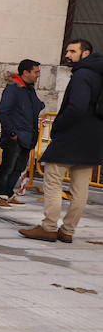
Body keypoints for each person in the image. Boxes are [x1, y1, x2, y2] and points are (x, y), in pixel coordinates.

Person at [19, 40, 103, 243]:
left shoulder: (83, 74)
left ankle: (48, 227)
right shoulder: (99, 73)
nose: (68, 54)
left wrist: (58, 125)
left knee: (53, 180)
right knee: (80, 188)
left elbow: (77, 107)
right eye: (67, 50)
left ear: (86, 54)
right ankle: (68, 230)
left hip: (72, 136)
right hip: (92, 138)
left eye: (73, 51)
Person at [0, 59, 43, 208]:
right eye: (36, 72)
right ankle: (0, 195)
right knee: (8, 166)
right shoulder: (12, 89)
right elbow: (3, 112)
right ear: (26, 72)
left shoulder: (29, 89)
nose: (38, 75)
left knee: (18, 167)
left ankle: (8, 193)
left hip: (28, 135)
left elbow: (33, 106)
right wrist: (13, 132)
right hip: (15, 136)